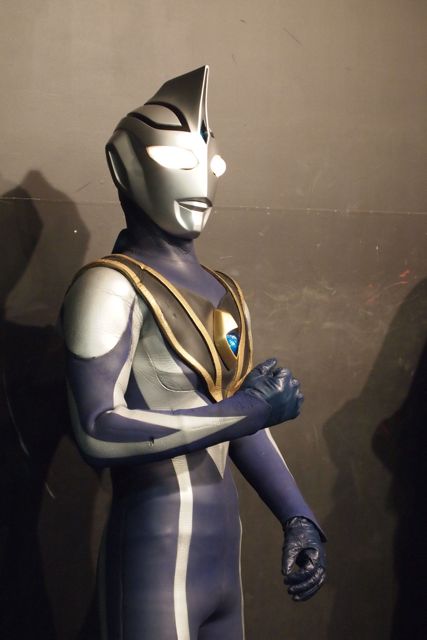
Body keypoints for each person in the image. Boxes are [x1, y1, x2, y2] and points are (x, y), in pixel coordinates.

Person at [61, 66, 326, 640]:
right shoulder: (110, 287)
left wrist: (297, 514)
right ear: (123, 167)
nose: (202, 177)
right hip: (155, 557)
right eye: (178, 159)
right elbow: (97, 430)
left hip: (222, 560)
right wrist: (249, 409)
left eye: (211, 162)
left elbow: (239, 415)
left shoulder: (221, 290)